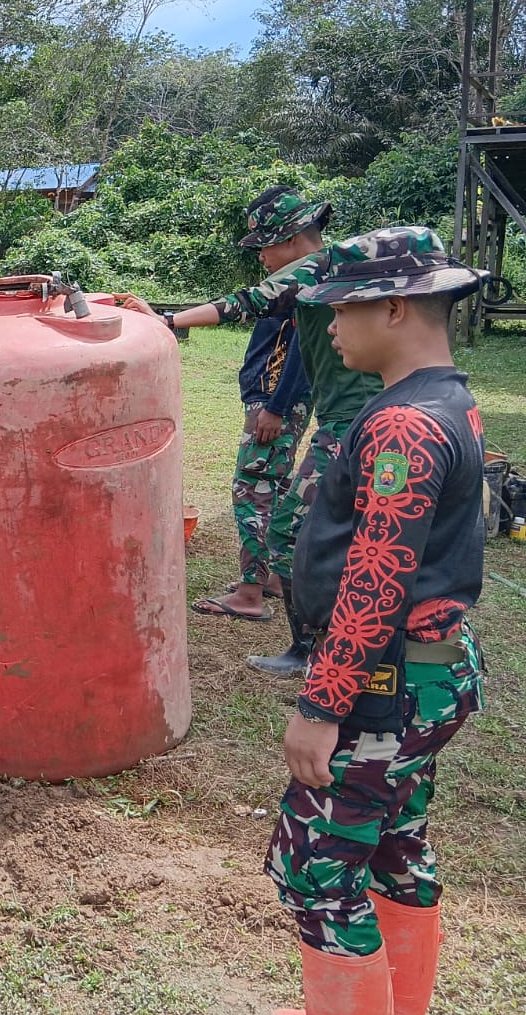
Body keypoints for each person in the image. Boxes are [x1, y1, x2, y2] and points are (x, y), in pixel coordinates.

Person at [260, 228, 487, 1015]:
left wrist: (321, 706)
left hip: (386, 683)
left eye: (342, 309)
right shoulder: (447, 400)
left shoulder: (403, 425)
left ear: (394, 308)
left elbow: (376, 579)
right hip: (430, 668)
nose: (329, 325)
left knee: (318, 872)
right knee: (395, 847)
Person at [122, 186, 382, 677]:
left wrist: (168, 320)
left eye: (265, 245)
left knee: (292, 530)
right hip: (343, 420)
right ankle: (316, 645)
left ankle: (315, 650)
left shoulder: (316, 268)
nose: (261, 256)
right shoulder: (331, 274)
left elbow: (245, 303)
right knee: (311, 528)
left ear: (293, 239)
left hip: (354, 423)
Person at [190, 313, 311, 621]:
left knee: (253, 491)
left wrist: (276, 406)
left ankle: (249, 593)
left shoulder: (295, 291)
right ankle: (273, 578)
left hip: (276, 400)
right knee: (276, 487)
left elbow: (301, 345)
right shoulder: (297, 291)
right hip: (285, 399)